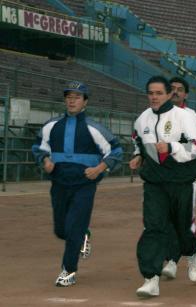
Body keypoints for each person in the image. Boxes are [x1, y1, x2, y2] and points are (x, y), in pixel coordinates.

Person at [32, 81, 123, 287]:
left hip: (84, 185)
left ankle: (68, 271)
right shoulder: (51, 126)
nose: (72, 100)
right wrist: (45, 161)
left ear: (85, 102)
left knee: (73, 228)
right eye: (69, 97)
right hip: (59, 182)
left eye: (77, 97)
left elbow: (115, 152)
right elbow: (39, 146)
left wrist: (99, 169)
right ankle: (84, 235)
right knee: (61, 231)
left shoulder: (94, 128)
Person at [129, 75, 196, 298]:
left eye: (159, 93)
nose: (154, 97)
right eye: (150, 93)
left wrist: (171, 147)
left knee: (182, 227)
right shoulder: (142, 119)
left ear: (170, 93)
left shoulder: (184, 117)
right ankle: (151, 278)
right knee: (154, 227)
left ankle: (192, 252)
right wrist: (138, 155)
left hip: (181, 181)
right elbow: (138, 141)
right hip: (154, 183)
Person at [161, 76, 196, 281]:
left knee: (184, 219)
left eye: (179, 89)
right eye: (171, 89)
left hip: (185, 178)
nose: (175, 92)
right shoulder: (155, 115)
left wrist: (195, 158)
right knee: (165, 219)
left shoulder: (192, 116)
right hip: (162, 178)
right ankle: (172, 260)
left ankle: (192, 252)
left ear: (186, 94)